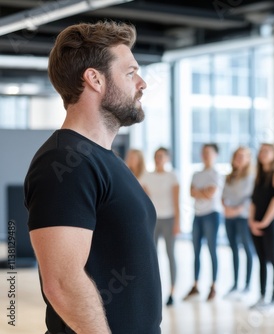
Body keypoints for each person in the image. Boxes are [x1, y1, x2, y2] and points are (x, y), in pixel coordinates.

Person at [24, 21, 161, 333]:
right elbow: (62, 283)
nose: (141, 83)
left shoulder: (103, 158)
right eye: (130, 72)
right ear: (95, 79)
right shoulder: (63, 161)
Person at [249, 143, 274, 309]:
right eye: (261, 151)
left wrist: (264, 222)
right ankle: (262, 296)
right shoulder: (258, 174)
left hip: (270, 225)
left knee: (273, 260)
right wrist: (251, 221)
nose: (263, 154)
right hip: (255, 223)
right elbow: (253, 201)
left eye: (266, 151)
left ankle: (273, 298)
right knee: (262, 260)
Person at [184, 143, 223, 301]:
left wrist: (200, 192)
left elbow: (210, 194)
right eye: (203, 152)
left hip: (212, 215)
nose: (205, 155)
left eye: (209, 152)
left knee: (212, 250)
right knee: (196, 251)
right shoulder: (196, 174)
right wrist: (202, 191)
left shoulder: (217, 174)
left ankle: (213, 286)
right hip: (197, 215)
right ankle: (195, 285)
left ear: (215, 155)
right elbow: (191, 193)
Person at [142, 147, 180, 306]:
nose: (159, 159)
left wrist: (178, 222)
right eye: (157, 156)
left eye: (162, 156)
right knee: (152, 256)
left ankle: (172, 291)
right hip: (153, 221)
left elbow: (177, 202)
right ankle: (154, 290)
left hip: (169, 219)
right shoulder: (146, 177)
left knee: (170, 254)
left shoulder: (172, 176)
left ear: (167, 158)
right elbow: (144, 200)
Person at [222, 147, 255, 296]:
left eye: (243, 156)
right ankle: (235, 284)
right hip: (229, 218)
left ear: (249, 159)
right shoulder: (229, 177)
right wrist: (226, 207)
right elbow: (224, 195)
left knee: (247, 249)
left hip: (243, 217)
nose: (239, 159)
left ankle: (247, 285)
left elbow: (250, 199)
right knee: (233, 249)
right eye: (237, 156)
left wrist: (236, 210)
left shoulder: (252, 177)